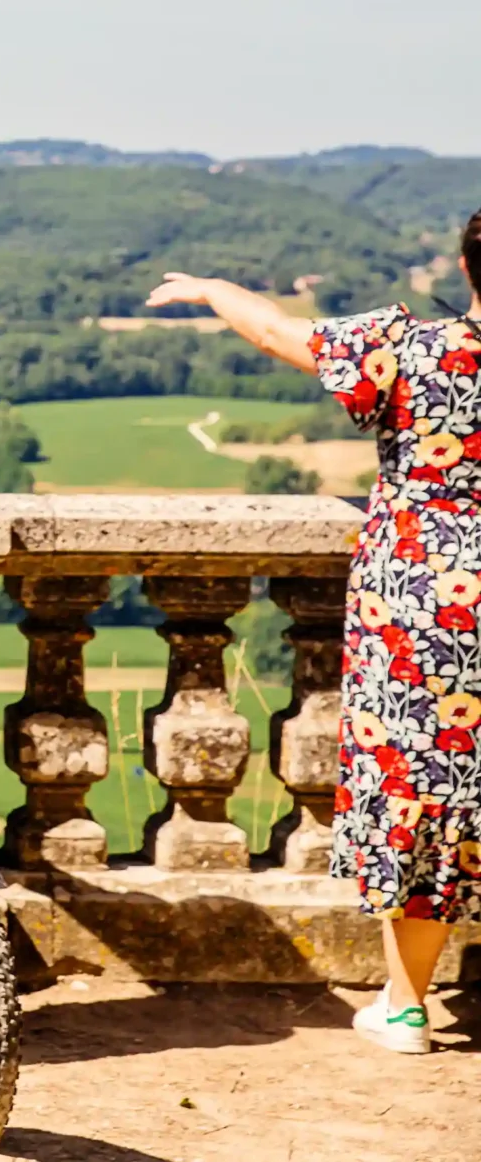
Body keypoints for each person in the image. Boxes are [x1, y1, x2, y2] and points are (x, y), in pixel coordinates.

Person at [147, 207, 481, 1056]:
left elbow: (279, 336)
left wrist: (215, 288)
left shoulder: (414, 349)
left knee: (423, 788)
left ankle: (405, 1004)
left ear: (467, 265)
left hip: (424, 598)